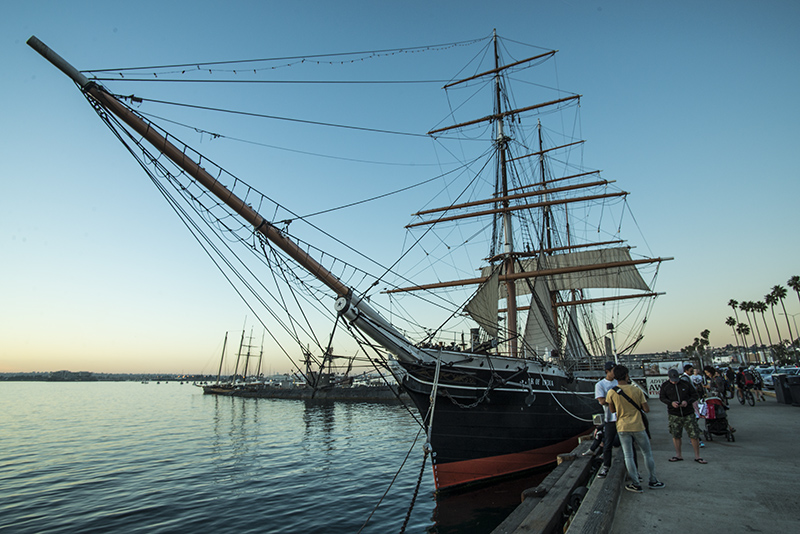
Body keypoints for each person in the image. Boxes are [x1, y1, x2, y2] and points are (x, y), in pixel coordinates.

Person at [606, 365, 664, 492]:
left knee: (628, 456)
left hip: (622, 427)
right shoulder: (636, 390)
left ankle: (636, 484)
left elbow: (612, 410)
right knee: (647, 453)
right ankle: (653, 480)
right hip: (638, 425)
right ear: (627, 375)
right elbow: (646, 409)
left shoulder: (611, 392)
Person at [660, 368, 706, 464]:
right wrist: (670, 403)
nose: (674, 382)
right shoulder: (665, 386)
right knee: (676, 434)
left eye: (676, 380)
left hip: (688, 412)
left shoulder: (686, 384)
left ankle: (697, 456)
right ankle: (678, 455)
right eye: (673, 380)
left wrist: (687, 402)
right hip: (674, 414)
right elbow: (662, 397)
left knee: (694, 434)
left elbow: (695, 395)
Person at [593, 361, 619, 478]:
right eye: (613, 370)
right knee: (607, 444)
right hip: (610, 418)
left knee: (627, 443)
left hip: (622, 418)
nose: (615, 373)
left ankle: (634, 470)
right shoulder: (600, 385)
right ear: (607, 371)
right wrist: (617, 399)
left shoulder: (619, 382)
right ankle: (606, 467)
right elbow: (602, 401)